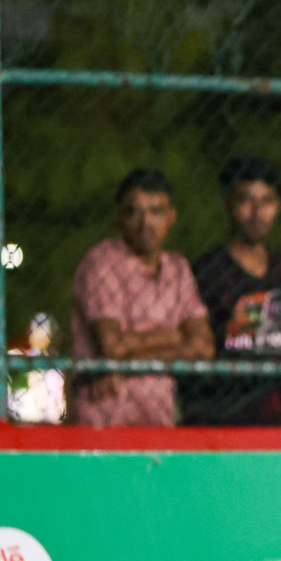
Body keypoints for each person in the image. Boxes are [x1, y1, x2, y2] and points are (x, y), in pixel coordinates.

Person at [68, 169, 214, 427]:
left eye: (156, 212)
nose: (146, 223)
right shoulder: (102, 263)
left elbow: (203, 347)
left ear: (171, 217)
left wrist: (125, 360)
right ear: (119, 218)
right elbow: (112, 347)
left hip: (158, 416)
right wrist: (173, 335)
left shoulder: (177, 269)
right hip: (104, 416)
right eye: (134, 212)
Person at [184, 157, 281, 427]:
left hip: (276, 419)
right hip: (218, 419)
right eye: (246, 200)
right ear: (228, 203)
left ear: (277, 206)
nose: (257, 212)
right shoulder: (206, 272)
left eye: (267, 201)